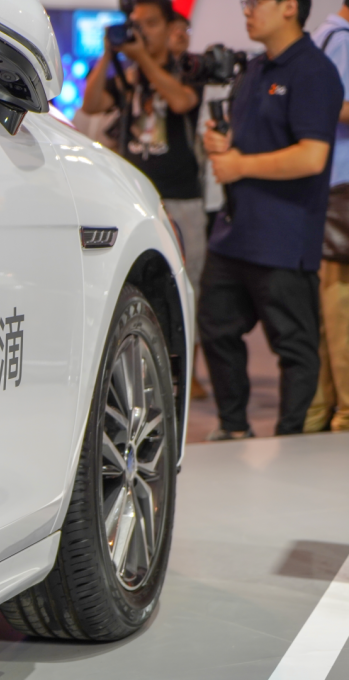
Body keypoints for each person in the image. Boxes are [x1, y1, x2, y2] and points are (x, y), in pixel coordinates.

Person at [199, 0, 343, 439]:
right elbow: (247, 140)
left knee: (294, 346)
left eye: (257, 2)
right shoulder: (256, 68)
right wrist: (222, 144)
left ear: (289, 8)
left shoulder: (315, 72)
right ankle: (233, 427)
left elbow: (312, 156)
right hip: (234, 230)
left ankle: (291, 436)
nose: (247, 10)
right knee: (215, 326)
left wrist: (241, 165)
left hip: (284, 236)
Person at [83, 0, 209, 400]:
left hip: (182, 198)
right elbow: (91, 103)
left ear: (171, 27)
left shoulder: (187, 69)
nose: (141, 31)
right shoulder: (129, 76)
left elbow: (182, 102)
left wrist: (143, 61)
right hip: (136, 200)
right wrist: (110, 55)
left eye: (150, 23)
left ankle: (187, 374)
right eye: (135, 23)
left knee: (188, 286)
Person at [305, 2, 349, 432]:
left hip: (327, 186)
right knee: (340, 306)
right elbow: (332, 105)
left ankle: (320, 410)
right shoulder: (342, 40)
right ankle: (343, 413)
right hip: (340, 186)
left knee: (328, 306)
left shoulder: (324, 36)